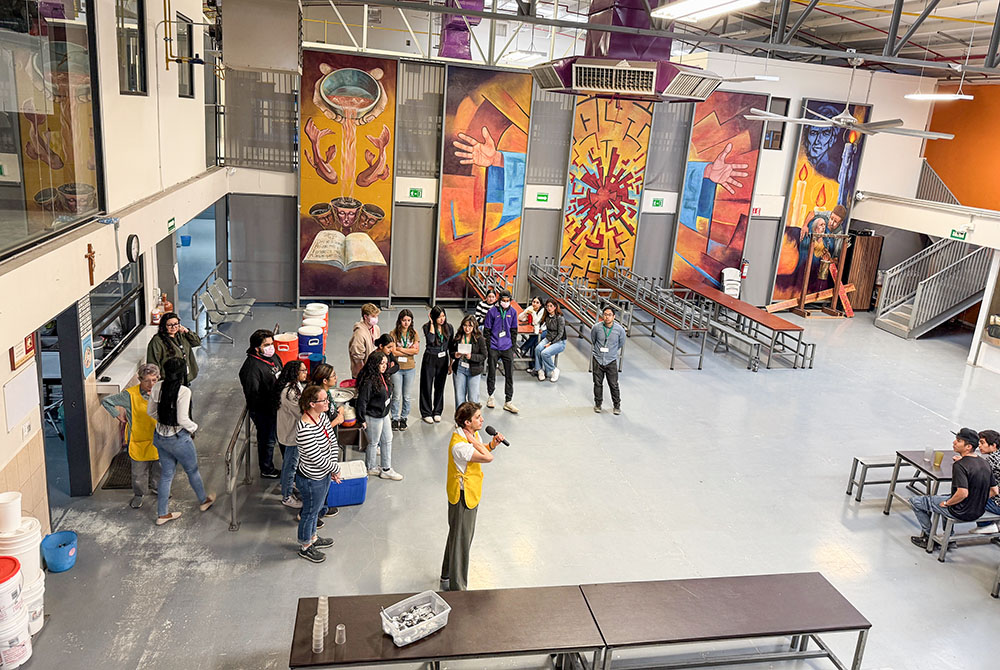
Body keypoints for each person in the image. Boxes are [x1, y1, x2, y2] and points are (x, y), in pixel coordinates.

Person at [441, 401, 505, 592]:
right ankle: (458, 588)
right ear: (467, 423)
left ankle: (446, 574)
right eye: (478, 417)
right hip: (463, 498)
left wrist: (491, 444)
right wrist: (478, 442)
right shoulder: (459, 445)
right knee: (462, 542)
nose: (482, 420)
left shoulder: (469, 435)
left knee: (456, 535)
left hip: (469, 493)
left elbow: (482, 449)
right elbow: (486, 457)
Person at [147, 358, 215, 525]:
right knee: (192, 470)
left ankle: (162, 514)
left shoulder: (157, 387)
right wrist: (194, 428)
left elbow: (151, 412)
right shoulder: (183, 391)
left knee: (167, 474)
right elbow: (183, 419)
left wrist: (164, 420)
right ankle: (203, 500)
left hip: (160, 436)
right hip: (178, 439)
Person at [909, 428, 998, 549]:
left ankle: (929, 538)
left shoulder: (960, 465)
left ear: (968, 446)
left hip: (961, 510)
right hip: (977, 509)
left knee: (916, 501)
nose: (954, 443)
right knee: (948, 497)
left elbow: (962, 493)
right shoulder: (984, 463)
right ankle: (948, 538)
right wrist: (977, 500)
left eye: (959, 441)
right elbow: (994, 491)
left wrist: (947, 503)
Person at [101, 363, 161, 509]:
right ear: (140, 379)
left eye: (154, 380)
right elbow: (106, 401)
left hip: (158, 437)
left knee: (159, 468)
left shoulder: (161, 392)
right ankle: (139, 494)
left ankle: (158, 488)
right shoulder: (129, 395)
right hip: (138, 439)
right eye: (146, 380)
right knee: (138, 473)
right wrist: (118, 416)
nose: (151, 384)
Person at [294, 384, 343, 563]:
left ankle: (313, 537)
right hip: (311, 479)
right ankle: (305, 545)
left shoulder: (321, 417)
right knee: (310, 511)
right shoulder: (304, 429)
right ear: (312, 404)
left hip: (323, 474)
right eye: (323, 400)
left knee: (316, 509)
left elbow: (331, 442)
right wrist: (335, 469)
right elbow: (317, 459)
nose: (327, 402)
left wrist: (332, 467)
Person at [239, 329, 283, 478]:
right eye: (267, 345)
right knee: (267, 440)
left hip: (277, 406)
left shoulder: (272, 357)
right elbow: (253, 395)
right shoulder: (251, 368)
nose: (271, 347)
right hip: (264, 411)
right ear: (257, 348)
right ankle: (266, 469)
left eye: (272, 343)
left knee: (277, 436)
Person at [356, 351, 402, 480]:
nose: (384, 366)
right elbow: (362, 401)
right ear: (374, 364)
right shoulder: (369, 381)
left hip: (384, 413)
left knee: (388, 439)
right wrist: (361, 419)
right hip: (373, 415)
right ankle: (371, 467)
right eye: (381, 363)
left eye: (385, 363)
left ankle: (386, 468)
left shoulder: (383, 375)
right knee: (373, 442)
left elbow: (396, 367)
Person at [275, 360, 308, 509]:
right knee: (291, 466)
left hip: (290, 432)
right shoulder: (289, 393)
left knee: (291, 464)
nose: (305, 373)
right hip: (291, 435)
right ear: (295, 373)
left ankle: (287, 485)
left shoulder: (294, 386)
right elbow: (301, 413)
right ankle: (287, 496)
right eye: (302, 371)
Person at [483, 290, 519, 414]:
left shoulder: (513, 312)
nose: (505, 303)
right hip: (494, 346)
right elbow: (486, 331)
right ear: (499, 301)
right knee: (492, 372)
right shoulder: (491, 312)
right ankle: (491, 397)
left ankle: (508, 401)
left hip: (507, 347)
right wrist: (489, 347)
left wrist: (512, 347)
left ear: (510, 300)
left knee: (509, 375)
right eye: (503, 301)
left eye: (507, 301)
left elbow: (514, 331)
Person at [146, 312, 201, 385]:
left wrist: (187, 331)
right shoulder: (157, 341)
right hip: (169, 381)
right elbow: (153, 363)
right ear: (164, 326)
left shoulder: (181, 334)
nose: (173, 327)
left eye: (176, 324)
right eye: (170, 325)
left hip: (184, 378)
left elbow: (197, 342)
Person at [420, 306, 453, 423]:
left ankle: (437, 411)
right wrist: (432, 324)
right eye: (439, 317)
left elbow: (451, 347)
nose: (442, 319)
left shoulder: (449, 328)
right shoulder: (427, 327)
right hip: (430, 358)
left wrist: (451, 363)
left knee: (440, 386)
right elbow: (431, 339)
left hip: (443, 359)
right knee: (426, 385)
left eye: (443, 316)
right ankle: (426, 412)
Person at [591, 305, 626, 415]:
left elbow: (621, 343)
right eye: (605, 314)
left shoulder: (619, 330)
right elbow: (593, 340)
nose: (607, 317)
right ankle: (598, 404)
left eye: (609, 315)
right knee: (597, 383)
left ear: (614, 317)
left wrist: (611, 352)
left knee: (613, 384)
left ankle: (617, 405)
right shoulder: (596, 327)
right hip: (598, 359)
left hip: (611, 360)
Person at [389, 309, 419, 432]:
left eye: (408, 320)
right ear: (400, 321)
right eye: (404, 320)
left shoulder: (414, 333)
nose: (406, 323)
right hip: (397, 368)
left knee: (406, 396)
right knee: (396, 395)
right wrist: (408, 350)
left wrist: (401, 349)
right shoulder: (394, 333)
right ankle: (395, 418)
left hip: (410, 369)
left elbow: (416, 351)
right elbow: (393, 351)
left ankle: (404, 418)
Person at [450, 315, 487, 405]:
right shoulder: (458, 337)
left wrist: (471, 357)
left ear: (474, 326)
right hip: (460, 369)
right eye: (465, 325)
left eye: (470, 326)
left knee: (473, 398)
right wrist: (455, 354)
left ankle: (473, 417)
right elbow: (451, 351)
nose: (467, 328)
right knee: (459, 396)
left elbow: (484, 355)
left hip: (474, 370)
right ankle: (461, 417)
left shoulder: (479, 339)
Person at [971, 429, 1000, 535]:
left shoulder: (993, 459)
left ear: (994, 445)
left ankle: (987, 525)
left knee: (968, 498)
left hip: (997, 504)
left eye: (982, 443)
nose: (979, 446)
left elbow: (974, 472)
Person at [533, 299, 567, 382]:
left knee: (545, 353)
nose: (549, 308)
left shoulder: (560, 318)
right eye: (547, 306)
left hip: (559, 341)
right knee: (538, 349)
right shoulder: (547, 316)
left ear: (555, 307)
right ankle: (539, 370)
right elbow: (539, 324)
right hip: (548, 338)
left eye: (551, 306)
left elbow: (560, 334)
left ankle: (554, 370)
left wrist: (551, 343)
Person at [348, 303, 381, 377]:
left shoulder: (376, 328)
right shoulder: (359, 334)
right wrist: (363, 373)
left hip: (373, 370)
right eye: (373, 316)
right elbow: (357, 358)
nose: (376, 318)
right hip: (362, 373)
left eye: (376, 316)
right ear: (365, 317)